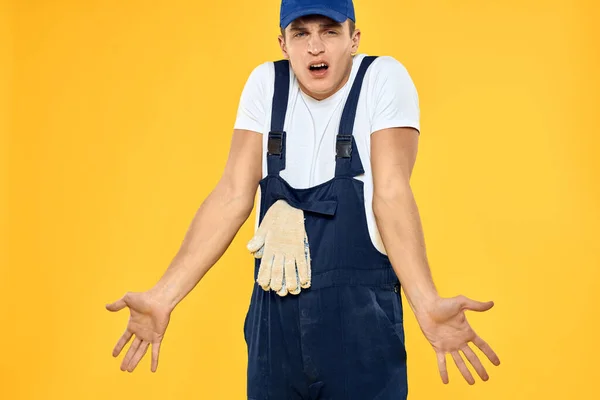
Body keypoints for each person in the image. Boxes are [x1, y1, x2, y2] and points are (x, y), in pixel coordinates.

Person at [106, 0, 501, 398]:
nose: (315, 47)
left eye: (329, 31)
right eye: (301, 33)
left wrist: (426, 302)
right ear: (283, 43)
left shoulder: (382, 78)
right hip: (274, 326)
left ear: (354, 38)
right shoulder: (266, 85)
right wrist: (162, 296)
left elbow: (392, 192)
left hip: (360, 326)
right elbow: (231, 193)